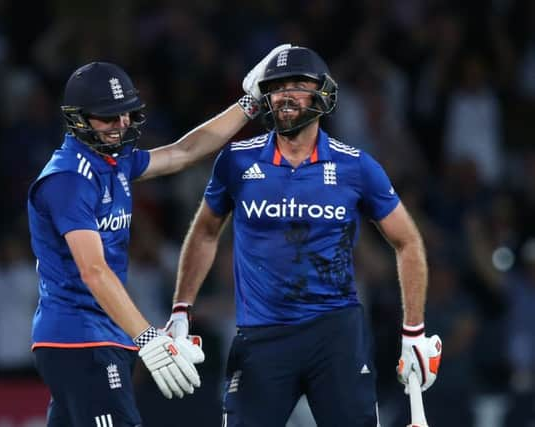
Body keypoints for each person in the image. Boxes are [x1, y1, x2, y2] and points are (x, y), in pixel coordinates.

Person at [164, 46, 443, 427]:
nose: (286, 94)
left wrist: (414, 331)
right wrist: (181, 309)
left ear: (323, 94)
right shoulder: (236, 161)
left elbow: (408, 241)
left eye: (298, 84)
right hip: (261, 336)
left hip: (336, 334)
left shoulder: (356, 166)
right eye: (277, 86)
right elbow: (205, 232)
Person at [27, 45, 289, 427]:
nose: (120, 124)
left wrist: (249, 104)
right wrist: (148, 337)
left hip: (91, 335)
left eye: (125, 113)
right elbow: (94, 271)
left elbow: (183, 152)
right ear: (78, 119)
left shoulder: (111, 162)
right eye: (107, 117)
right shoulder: (68, 179)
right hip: (79, 337)